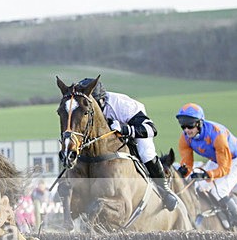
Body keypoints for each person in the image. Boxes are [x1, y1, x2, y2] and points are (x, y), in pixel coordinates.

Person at [76, 78, 178, 212]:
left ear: (101, 100)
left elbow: (152, 129)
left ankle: (165, 190)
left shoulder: (122, 105)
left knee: (146, 153)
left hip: (134, 127)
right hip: (109, 135)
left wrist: (125, 130)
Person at [176, 103, 237, 232]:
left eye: (190, 125)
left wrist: (207, 175)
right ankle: (214, 215)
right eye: (183, 126)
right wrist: (182, 172)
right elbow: (187, 164)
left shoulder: (217, 135)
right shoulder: (185, 138)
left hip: (234, 161)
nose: (186, 130)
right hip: (216, 160)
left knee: (218, 191)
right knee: (199, 187)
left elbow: (225, 168)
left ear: (199, 123)